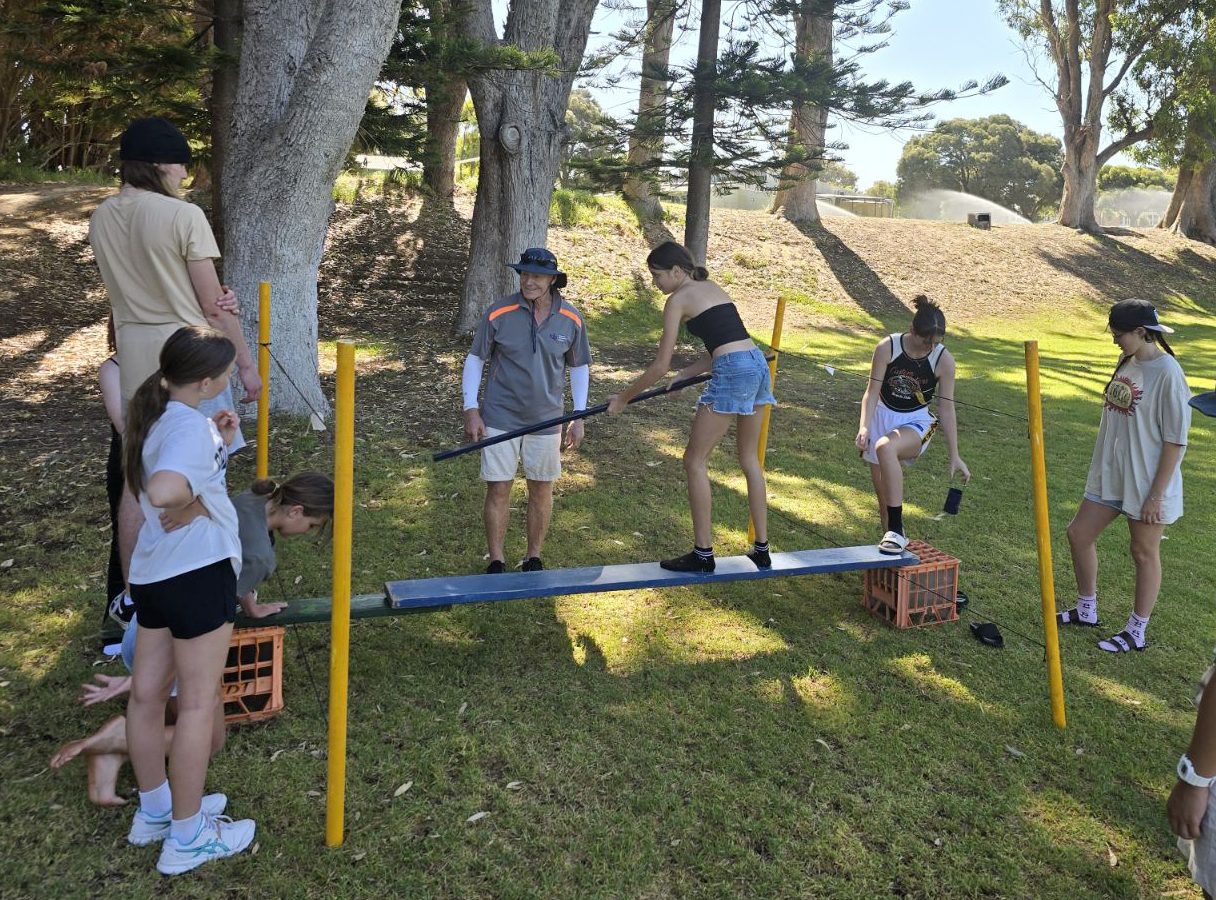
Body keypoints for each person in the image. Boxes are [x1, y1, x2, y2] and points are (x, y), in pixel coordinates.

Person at [49, 473, 333, 807]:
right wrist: (143, 677)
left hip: (147, 619)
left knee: (183, 719)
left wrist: (251, 606)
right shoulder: (260, 555)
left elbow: (230, 572)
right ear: (296, 511)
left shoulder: (251, 498)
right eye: (313, 525)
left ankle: (115, 752)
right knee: (206, 739)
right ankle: (117, 740)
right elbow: (207, 617)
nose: (308, 533)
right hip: (169, 634)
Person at [89, 117, 260, 626]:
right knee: (202, 469)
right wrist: (246, 364)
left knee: (136, 479)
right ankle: (197, 581)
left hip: (135, 355)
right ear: (160, 164)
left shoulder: (100, 217)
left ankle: (133, 596)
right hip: (191, 356)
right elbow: (213, 304)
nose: (186, 171)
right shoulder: (182, 215)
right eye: (182, 162)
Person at [121, 325, 254, 875]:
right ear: (206, 381)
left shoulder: (161, 417)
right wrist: (195, 502)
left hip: (156, 575)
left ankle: (155, 811)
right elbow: (166, 489)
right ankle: (189, 835)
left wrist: (221, 440)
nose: (229, 381)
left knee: (147, 695)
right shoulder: (188, 431)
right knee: (199, 702)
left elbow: (187, 466)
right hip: (198, 575)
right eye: (225, 374)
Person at [607, 241, 775, 572]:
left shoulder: (677, 300)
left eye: (657, 275)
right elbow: (723, 344)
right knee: (749, 460)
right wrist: (685, 373)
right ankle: (762, 549)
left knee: (694, 460)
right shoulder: (711, 286)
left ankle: (703, 554)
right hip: (756, 363)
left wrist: (623, 398)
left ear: (677, 271)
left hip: (734, 371)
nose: (655, 283)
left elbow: (658, 366)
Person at [1056, 299, 1190, 653]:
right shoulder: (1126, 361)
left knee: (1143, 552)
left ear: (1141, 333)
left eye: (1119, 335)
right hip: (1112, 476)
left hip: (1147, 482)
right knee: (1078, 533)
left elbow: (1175, 441)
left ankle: (1137, 630)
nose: (1115, 340)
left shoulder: (1168, 373)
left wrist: (1156, 494)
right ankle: (1086, 610)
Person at [462, 248, 591, 573]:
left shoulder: (571, 318)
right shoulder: (498, 312)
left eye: (536, 275)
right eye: (524, 273)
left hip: (548, 420)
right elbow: (476, 359)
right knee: (499, 486)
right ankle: (496, 559)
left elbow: (578, 367)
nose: (529, 281)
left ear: (552, 280)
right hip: (499, 416)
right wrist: (471, 407)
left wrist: (578, 415)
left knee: (541, 487)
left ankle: (533, 556)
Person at [855, 295, 969, 554]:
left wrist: (955, 455)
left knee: (886, 447)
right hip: (881, 415)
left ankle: (896, 530)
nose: (929, 347)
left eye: (935, 343)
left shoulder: (943, 360)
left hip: (916, 420)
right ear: (911, 330)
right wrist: (864, 426)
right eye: (924, 341)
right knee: (884, 502)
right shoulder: (887, 347)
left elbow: (947, 407)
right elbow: (871, 392)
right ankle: (894, 553)